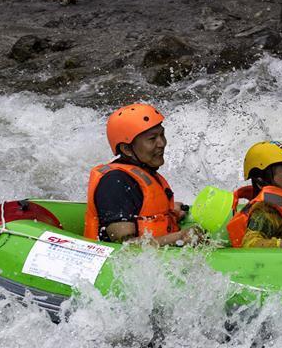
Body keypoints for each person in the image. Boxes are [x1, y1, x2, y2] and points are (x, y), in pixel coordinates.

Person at [84, 103, 199, 246]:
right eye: (152, 139)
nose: (162, 143)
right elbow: (125, 245)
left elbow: (143, 215)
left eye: (162, 135)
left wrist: (169, 214)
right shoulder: (114, 183)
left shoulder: (143, 173)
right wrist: (180, 237)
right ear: (126, 149)